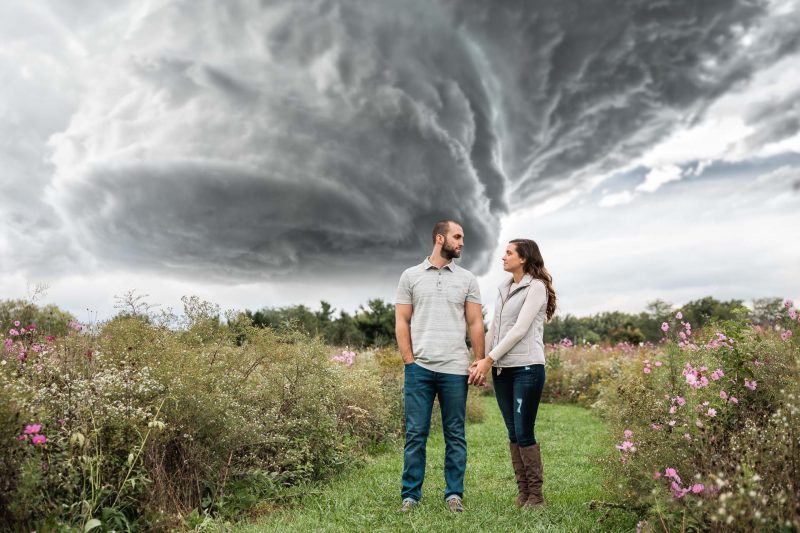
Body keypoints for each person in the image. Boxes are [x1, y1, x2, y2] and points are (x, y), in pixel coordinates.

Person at [395, 219, 486, 513]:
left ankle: (454, 495)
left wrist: (479, 360)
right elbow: (402, 321)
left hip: (455, 369)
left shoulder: (467, 279)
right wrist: (409, 361)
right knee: (415, 434)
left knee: (455, 435)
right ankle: (410, 495)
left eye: (462, 238)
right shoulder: (410, 276)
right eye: (457, 237)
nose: (461, 243)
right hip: (419, 369)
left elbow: (475, 322)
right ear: (439, 238)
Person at [468, 238, 556, 507]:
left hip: (527, 368)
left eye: (508, 253)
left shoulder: (536, 287)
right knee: (513, 432)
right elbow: (495, 328)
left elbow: (519, 330)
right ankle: (523, 493)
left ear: (524, 258)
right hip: (502, 370)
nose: (503, 257)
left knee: (524, 430)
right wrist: (481, 361)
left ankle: (536, 496)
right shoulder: (504, 288)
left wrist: (489, 359)